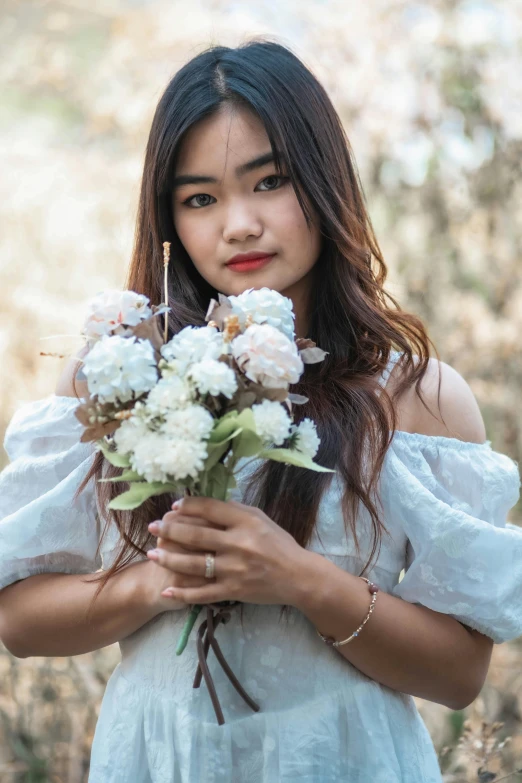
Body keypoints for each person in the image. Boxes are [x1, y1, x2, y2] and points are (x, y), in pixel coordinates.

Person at [0, 40, 521, 783]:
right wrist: (163, 580)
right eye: (200, 197)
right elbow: (18, 619)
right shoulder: (117, 377)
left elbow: (459, 673)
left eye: (269, 180)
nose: (238, 224)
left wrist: (299, 578)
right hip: (160, 760)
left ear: (324, 180)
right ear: (169, 219)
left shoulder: (415, 396)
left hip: (345, 761)